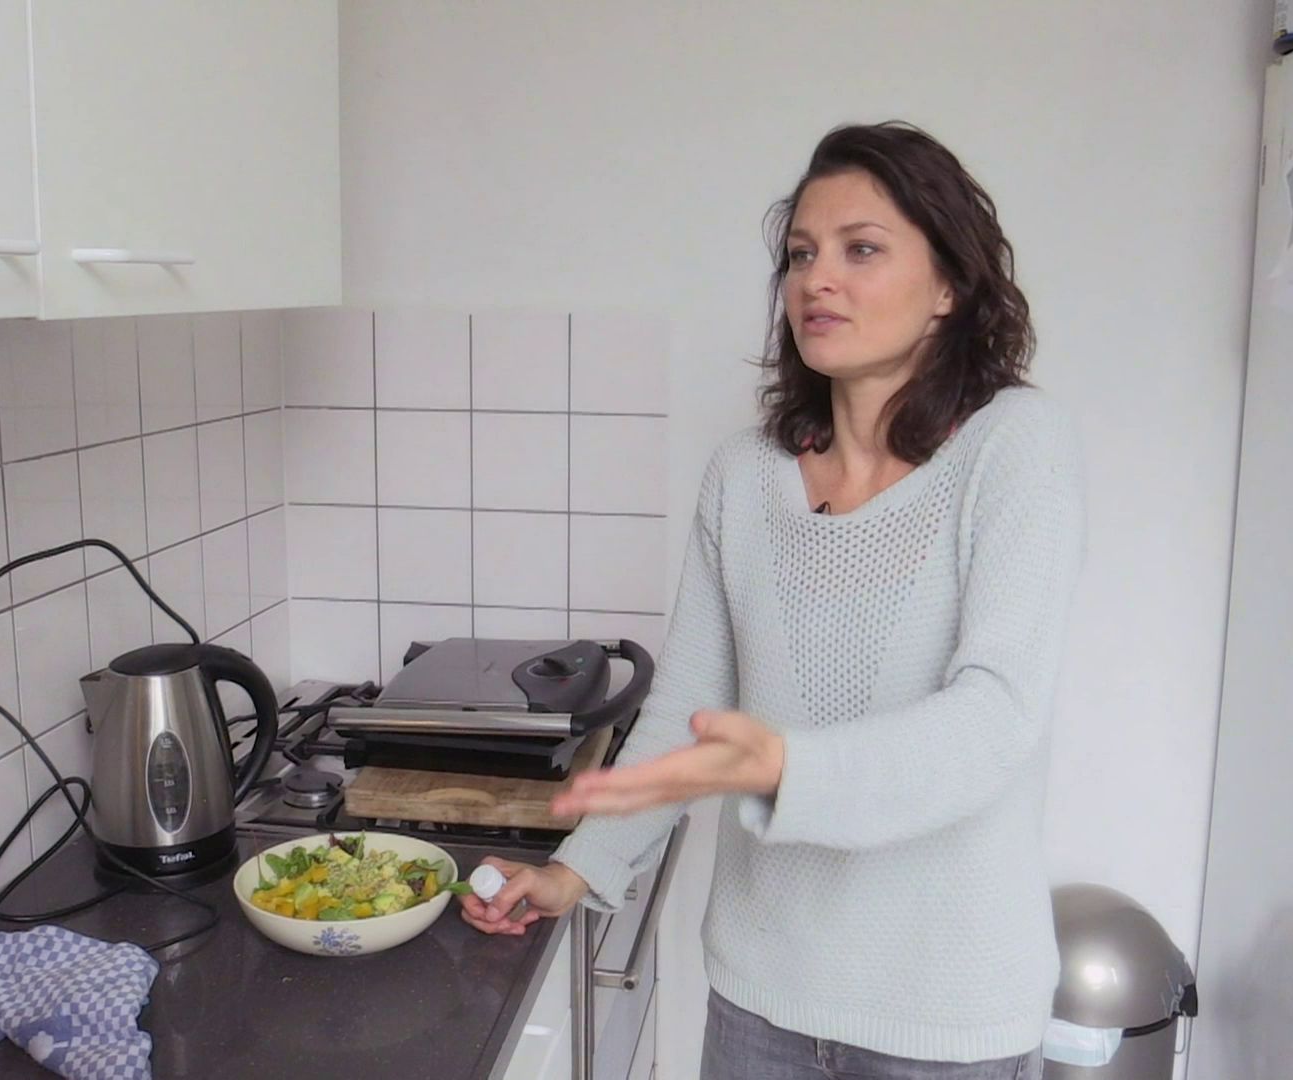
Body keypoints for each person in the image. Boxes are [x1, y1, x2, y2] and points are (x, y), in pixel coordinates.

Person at [459, 120, 1084, 1080]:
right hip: (761, 998)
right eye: (800, 255)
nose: (815, 280)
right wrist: (578, 868)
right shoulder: (744, 476)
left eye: (861, 249)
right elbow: (686, 710)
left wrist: (788, 767)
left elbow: (994, 719)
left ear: (949, 286)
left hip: (943, 1014)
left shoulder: (1014, 446)